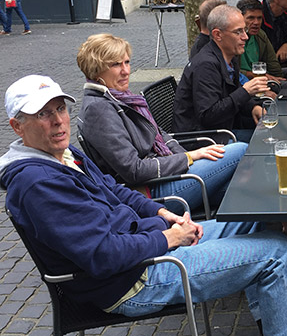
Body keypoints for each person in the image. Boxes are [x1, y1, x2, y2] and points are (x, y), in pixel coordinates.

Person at [0, 75, 287, 336]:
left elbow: (116, 190)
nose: (58, 121)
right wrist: (168, 239)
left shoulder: (62, 153)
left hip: (147, 246)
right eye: (44, 114)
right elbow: (102, 256)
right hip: (133, 280)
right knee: (275, 254)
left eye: (60, 109)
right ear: (18, 127)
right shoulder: (36, 184)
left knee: (255, 217)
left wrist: (163, 214)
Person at [76, 33, 247, 212]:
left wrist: (188, 160)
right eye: (116, 64)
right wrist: (189, 158)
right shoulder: (99, 109)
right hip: (154, 192)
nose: (126, 71)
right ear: (96, 69)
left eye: (127, 62)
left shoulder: (120, 97)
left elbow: (160, 134)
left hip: (170, 175)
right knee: (241, 148)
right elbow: (134, 170)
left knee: (244, 189)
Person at [173, 5, 268, 141]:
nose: (245, 37)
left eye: (245, 30)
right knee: (259, 144)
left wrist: (253, 107)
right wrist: (245, 92)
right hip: (202, 141)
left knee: (270, 136)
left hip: (222, 132)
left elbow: (232, 93)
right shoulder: (206, 65)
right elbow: (208, 116)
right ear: (218, 35)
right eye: (238, 32)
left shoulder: (230, 57)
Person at [236, 0, 287, 88]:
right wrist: (256, 75)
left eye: (259, 18)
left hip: (261, 75)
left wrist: (278, 77)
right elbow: (231, 71)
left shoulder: (260, 35)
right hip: (246, 81)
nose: (256, 22)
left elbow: (271, 61)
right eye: (251, 18)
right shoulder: (233, 39)